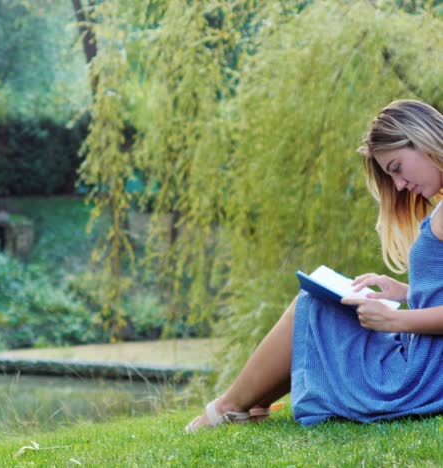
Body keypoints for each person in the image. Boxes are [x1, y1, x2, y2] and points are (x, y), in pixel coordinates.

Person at [186, 99, 443, 432]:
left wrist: (396, 318)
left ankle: (225, 408)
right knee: (319, 305)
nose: (399, 185)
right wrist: (407, 291)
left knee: (312, 306)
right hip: (425, 364)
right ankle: (246, 406)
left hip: (419, 378)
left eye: (396, 168)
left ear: (421, 139)